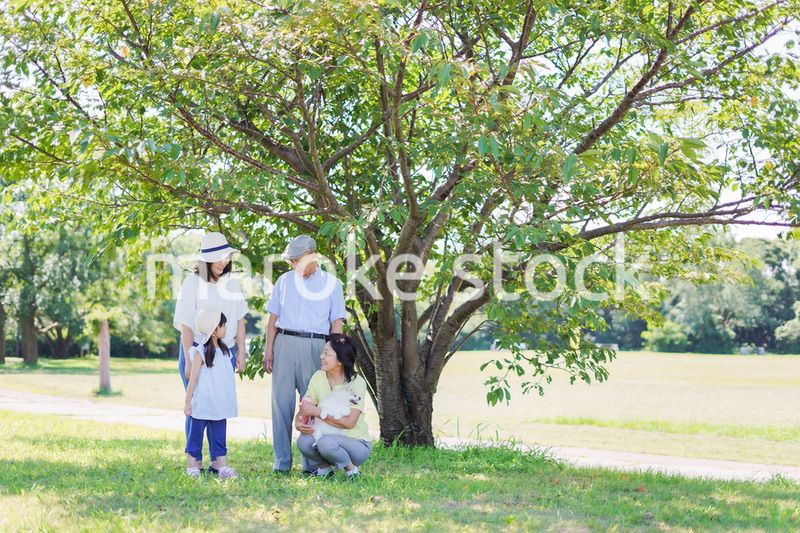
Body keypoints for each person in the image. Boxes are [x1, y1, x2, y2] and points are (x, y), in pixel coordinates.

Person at [262, 235, 346, 474]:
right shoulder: (284, 281)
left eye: (296, 260)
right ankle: (281, 463)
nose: (293, 265)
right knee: (281, 405)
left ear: (312, 255)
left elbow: (337, 324)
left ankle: (311, 465)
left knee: (312, 404)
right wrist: (269, 349)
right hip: (285, 343)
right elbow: (273, 319)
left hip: (316, 347)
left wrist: (336, 356)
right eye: (291, 261)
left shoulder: (332, 283)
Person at [173, 231, 248, 443]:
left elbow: (240, 321)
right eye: (218, 258)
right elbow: (186, 325)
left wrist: (241, 354)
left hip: (226, 352)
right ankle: (193, 459)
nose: (224, 262)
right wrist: (188, 360)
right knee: (197, 405)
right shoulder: (192, 283)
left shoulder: (232, 284)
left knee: (219, 404)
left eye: (226, 257)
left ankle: (218, 459)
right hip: (197, 350)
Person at [296, 334, 371, 479]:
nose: (321, 356)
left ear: (341, 360)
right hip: (328, 439)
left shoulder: (357, 382)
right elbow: (305, 406)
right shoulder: (318, 376)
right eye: (323, 352)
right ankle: (325, 470)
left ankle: (352, 471)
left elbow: (350, 423)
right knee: (304, 441)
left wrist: (318, 412)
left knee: (325, 442)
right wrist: (298, 421)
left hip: (356, 443)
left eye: (327, 353)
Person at [184, 309, 238, 479]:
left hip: (219, 405)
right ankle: (192, 465)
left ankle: (221, 465)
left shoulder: (225, 351)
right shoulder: (199, 352)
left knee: (219, 436)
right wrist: (188, 401)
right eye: (223, 325)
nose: (226, 328)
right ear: (213, 329)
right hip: (203, 403)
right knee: (196, 435)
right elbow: (193, 379)